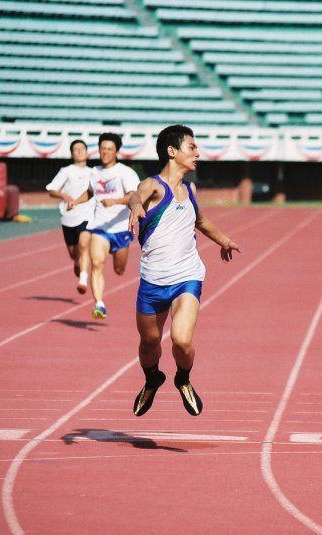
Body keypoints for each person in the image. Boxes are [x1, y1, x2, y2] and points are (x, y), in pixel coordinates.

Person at [127, 124, 240, 417]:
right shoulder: (154, 186)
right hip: (152, 281)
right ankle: (152, 378)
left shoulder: (190, 189)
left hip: (186, 277)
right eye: (192, 147)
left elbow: (199, 220)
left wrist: (223, 240)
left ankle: (183, 378)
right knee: (149, 343)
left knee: (181, 339)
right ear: (172, 151)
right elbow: (136, 194)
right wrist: (135, 206)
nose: (197, 153)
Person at [82, 132, 141, 319]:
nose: (105, 152)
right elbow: (89, 192)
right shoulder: (94, 172)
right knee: (97, 263)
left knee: (119, 269)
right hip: (100, 227)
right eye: (102, 149)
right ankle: (99, 304)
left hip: (121, 228)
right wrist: (74, 201)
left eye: (109, 149)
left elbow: (133, 196)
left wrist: (115, 201)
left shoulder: (125, 172)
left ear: (116, 152)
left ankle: (117, 265)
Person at [45, 139, 95, 294]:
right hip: (68, 217)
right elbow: (52, 190)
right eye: (76, 149)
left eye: (82, 149)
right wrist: (65, 196)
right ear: (72, 154)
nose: (79, 151)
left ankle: (83, 280)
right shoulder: (66, 171)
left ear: (87, 153)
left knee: (84, 245)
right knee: (74, 254)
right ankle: (78, 263)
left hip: (87, 214)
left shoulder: (94, 172)